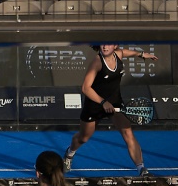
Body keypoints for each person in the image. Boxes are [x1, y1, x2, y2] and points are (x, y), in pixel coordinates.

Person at [63, 44, 159, 176]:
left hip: (115, 103)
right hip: (95, 105)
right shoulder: (97, 62)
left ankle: (141, 169)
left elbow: (126, 52)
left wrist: (141, 54)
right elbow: (86, 88)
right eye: (103, 43)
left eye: (108, 44)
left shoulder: (118, 54)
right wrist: (103, 102)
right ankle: (69, 153)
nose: (105, 47)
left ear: (115, 46)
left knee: (128, 134)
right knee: (83, 138)